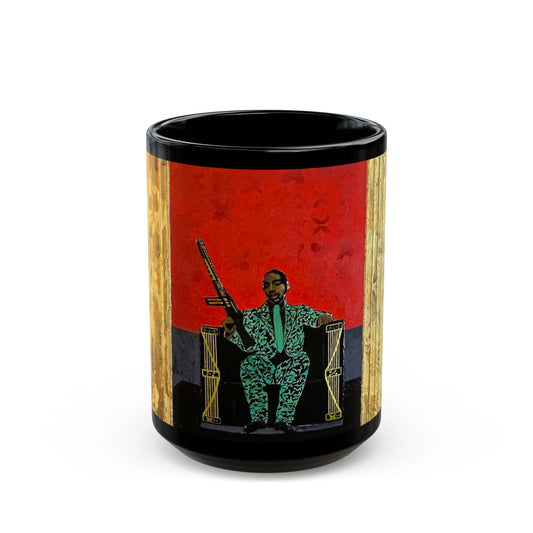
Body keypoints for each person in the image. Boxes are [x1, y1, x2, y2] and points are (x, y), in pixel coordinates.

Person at [222, 269, 332, 433]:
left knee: (302, 359)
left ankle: (284, 420)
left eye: (276, 283)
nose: (271, 289)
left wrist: (323, 318)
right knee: (249, 363)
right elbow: (248, 346)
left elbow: (319, 318)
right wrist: (231, 332)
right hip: (266, 366)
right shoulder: (252, 316)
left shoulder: (298, 312)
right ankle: (258, 418)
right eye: (266, 285)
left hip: (290, 366)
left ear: (286, 285)